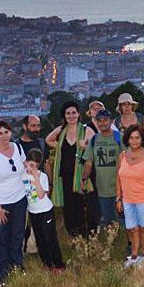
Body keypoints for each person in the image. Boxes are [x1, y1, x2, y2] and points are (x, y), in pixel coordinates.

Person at [0, 120, 28, 287]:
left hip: (19, 200)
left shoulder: (17, 148)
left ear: (11, 132)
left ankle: (17, 266)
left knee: (18, 236)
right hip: (0, 204)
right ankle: (2, 273)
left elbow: (25, 167)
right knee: (2, 239)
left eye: (6, 132)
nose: (4, 136)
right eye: (0, 133)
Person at [46, 101, 96, 238]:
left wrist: (85, 146)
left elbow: (95, 148)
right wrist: (59, 138)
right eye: (68, 113)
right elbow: (48, 140)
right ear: (64, 116)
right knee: (68, 209)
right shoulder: (62, 132)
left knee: (82, 207)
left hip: (81, 177)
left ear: (79, 114)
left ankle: (85, 236)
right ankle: (73, 236)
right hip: (65, 177)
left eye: (74, 112)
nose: (71, 115)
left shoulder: (86, 130)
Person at [116, 125, 144, 266]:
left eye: (137, 138)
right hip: (127, 199)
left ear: (142, 139)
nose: (134, 141)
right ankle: (134, 256)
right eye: (131, 138)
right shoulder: (122, 155)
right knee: (132, 228)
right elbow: (118, 178)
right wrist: (118, 199)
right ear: (127, 139)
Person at [23, 148, 65, 271]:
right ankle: (47, 264)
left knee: (49, 238)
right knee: (40, 239)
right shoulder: (22, 176)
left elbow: (41, 195)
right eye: (30, 165)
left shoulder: (43, 177)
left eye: (35, 166)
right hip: (33, 212)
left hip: (46, 211)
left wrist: (35, 178)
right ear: (26, 162)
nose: (32, 168)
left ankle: (59, 264)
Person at [82, 109, 122, 229]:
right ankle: (113, 242)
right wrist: (84, 179)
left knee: (122, 219)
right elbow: (88, 162)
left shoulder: (119, 138)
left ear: (110, 121)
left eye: (105, 120)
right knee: (108, 219)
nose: (102, 123)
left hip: (120, 187)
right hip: (102, 187)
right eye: (99, 121)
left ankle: (128, 243)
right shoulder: (94, 140)